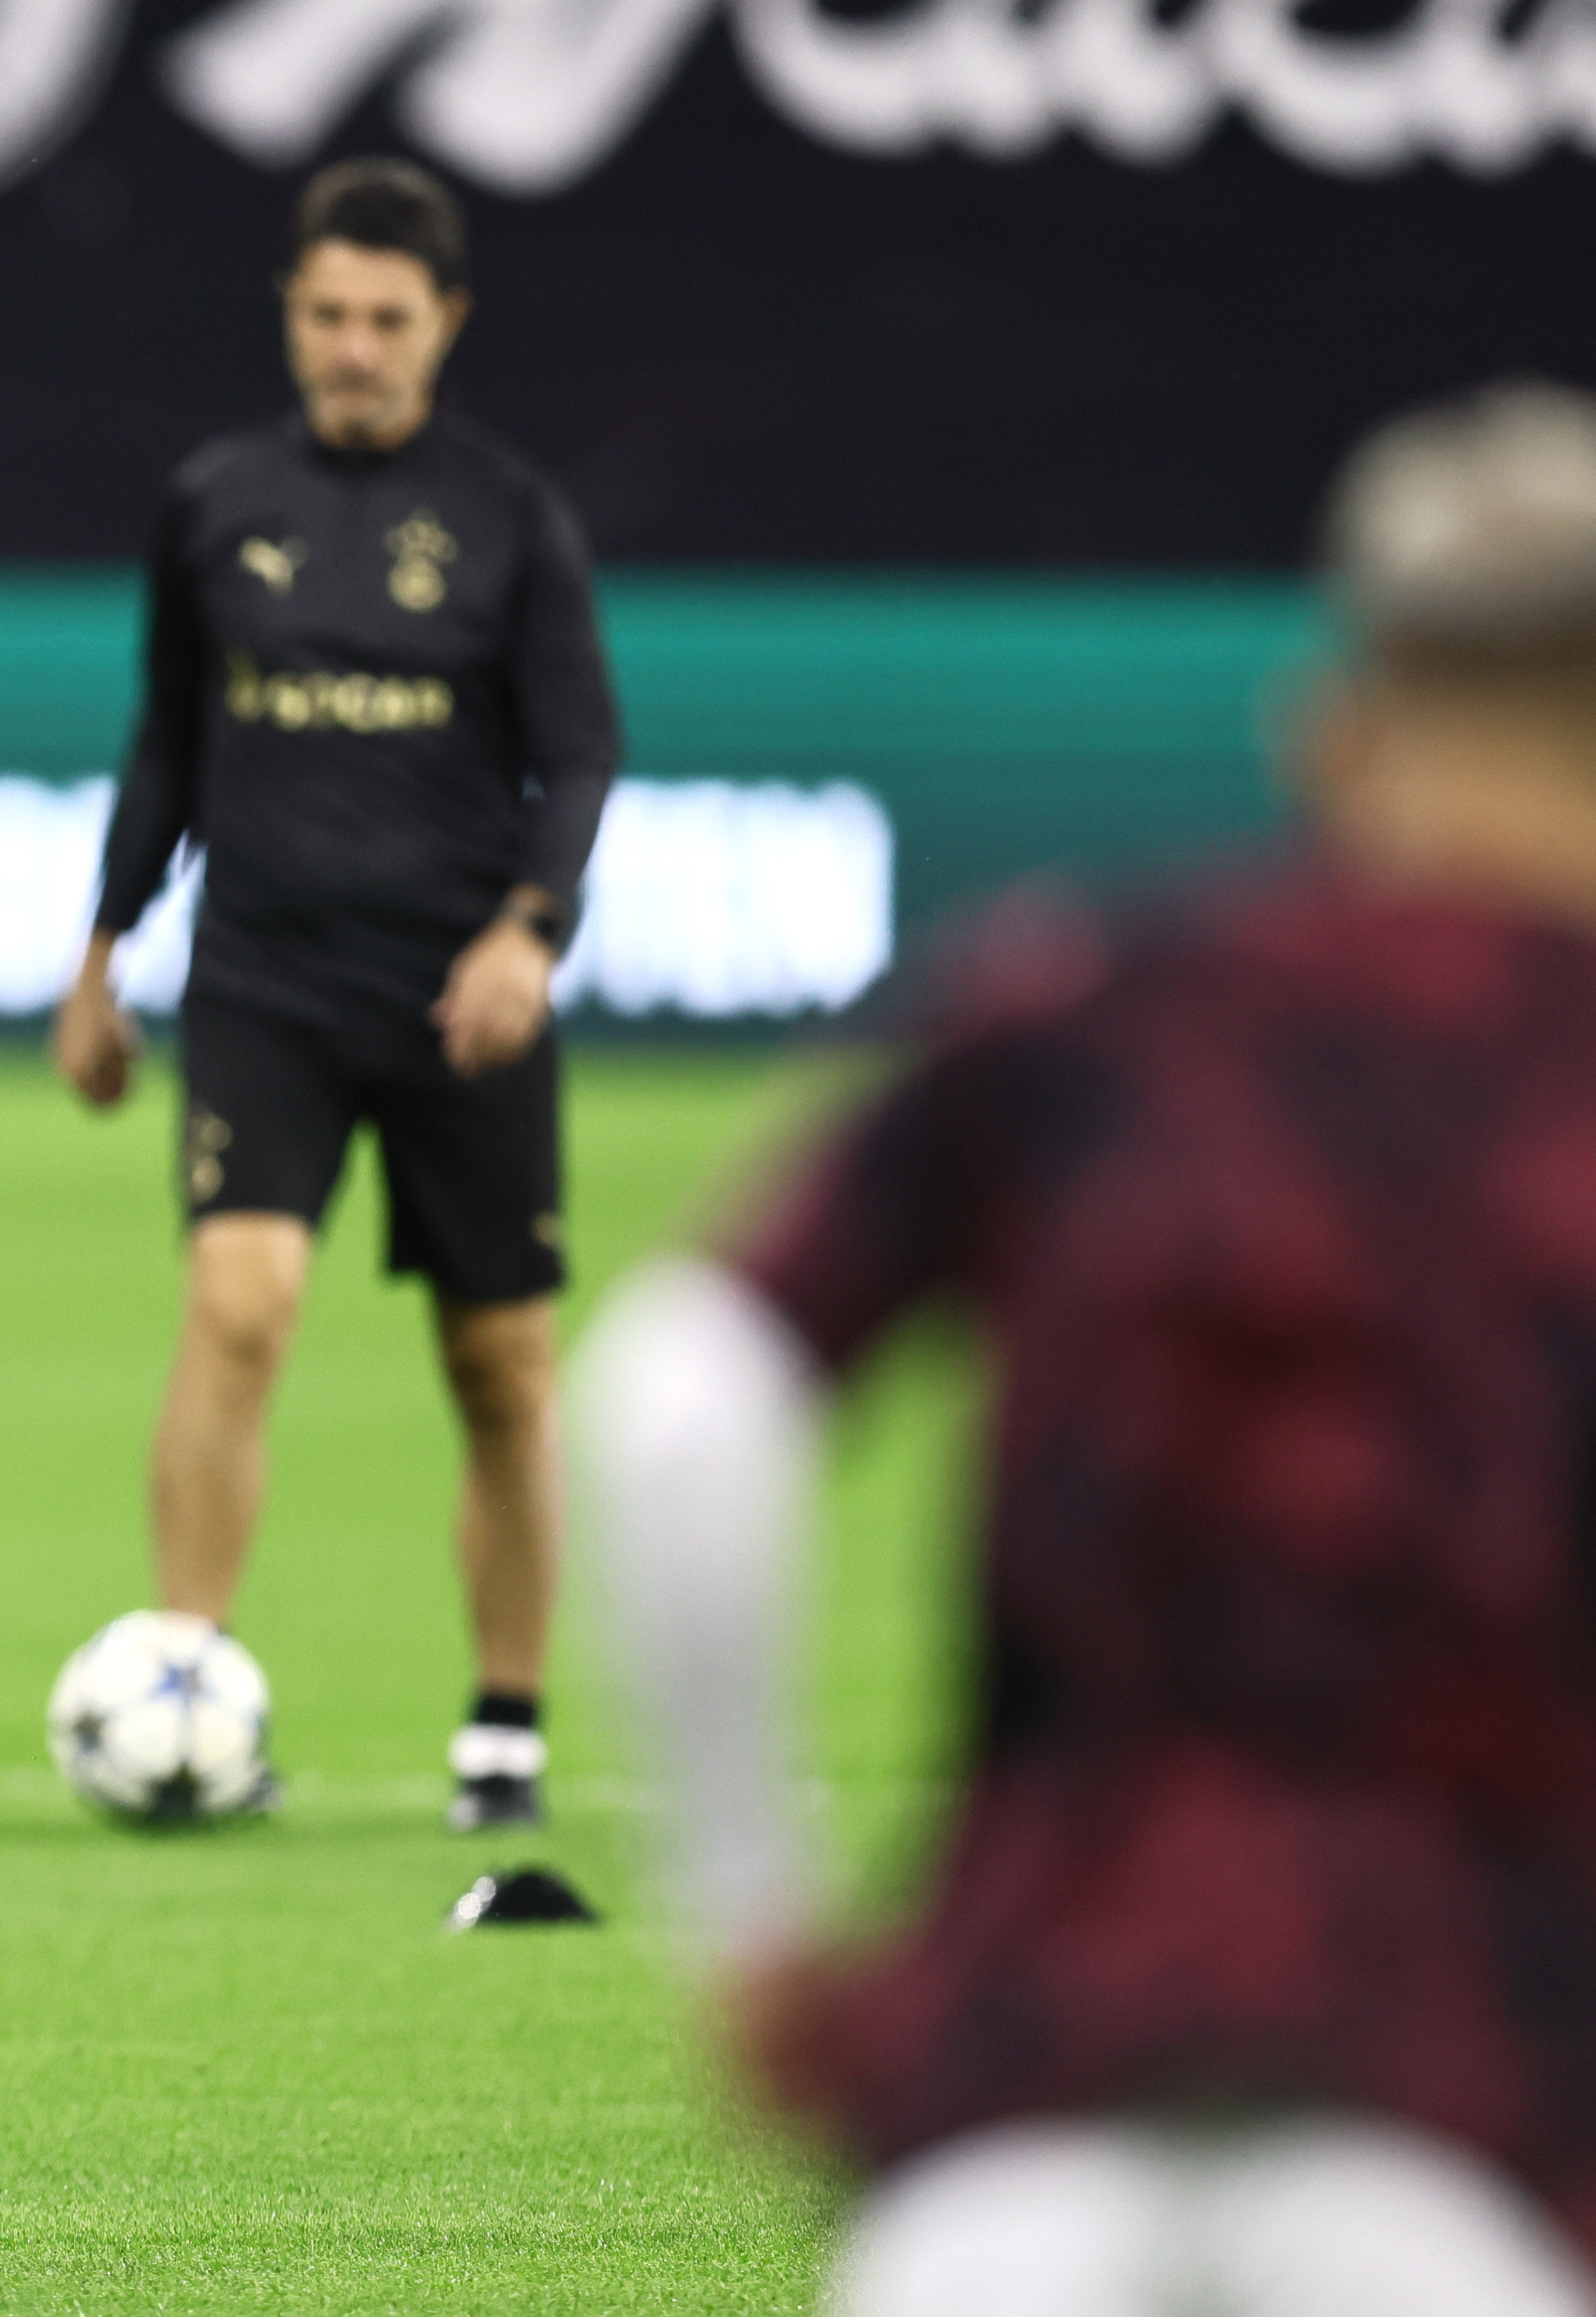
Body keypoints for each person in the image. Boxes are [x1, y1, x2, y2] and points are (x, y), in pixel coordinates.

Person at [577, 379, 1596, 2316]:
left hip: (1021, 2094)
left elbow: (684, 1401)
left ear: (1332, 727)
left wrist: (750, 1912)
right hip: (1474, 2109)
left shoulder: (1090, 1012)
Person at [50, 157, 620, 1831]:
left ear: (442, 322)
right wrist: (99, 953)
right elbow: (169, 739)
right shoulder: (215, 502)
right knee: (239, 1306)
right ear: (289, 317)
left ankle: (503, 1728)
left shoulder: (511, 517)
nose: (353, 346)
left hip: (459, 998)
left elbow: (580, 753)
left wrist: (529, 932)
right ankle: (185, 1690)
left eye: (385, 317)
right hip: (263, 987)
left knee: (500, 1366)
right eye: (325, 314)